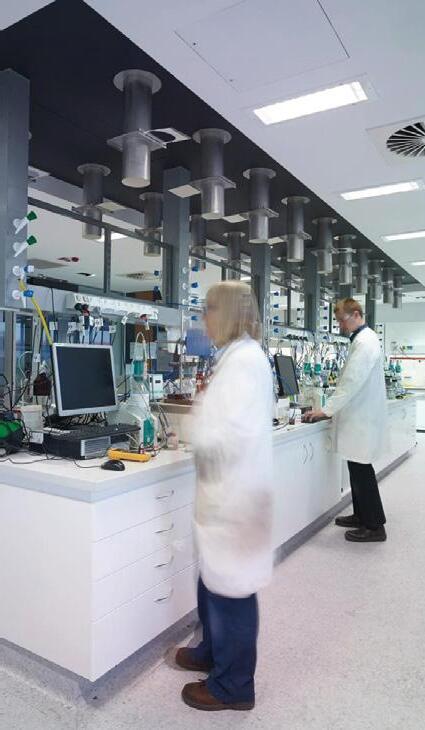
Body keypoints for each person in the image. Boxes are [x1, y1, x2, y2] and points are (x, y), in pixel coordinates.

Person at [176, 281, 274, 712]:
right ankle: (211, 651)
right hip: (228, 493)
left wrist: (192, 429)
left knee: (232, 591)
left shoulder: (244, 363)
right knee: (214, 581)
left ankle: (233, 687)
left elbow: (224, 434)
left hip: (235, 497)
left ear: (230, 313)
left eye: (210, 309)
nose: (204, 318)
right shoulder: (237, 357)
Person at [306, 298, 388, 543]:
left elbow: (351, 381)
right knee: (356, 469)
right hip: (358, 417)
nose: (341, 325)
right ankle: (361, 516)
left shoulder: (365, 342)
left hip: (362, 418)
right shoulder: (362, 339)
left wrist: (326, 410)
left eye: (343, 320)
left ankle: (375, 526)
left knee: (362, 471)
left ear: (356, 314)